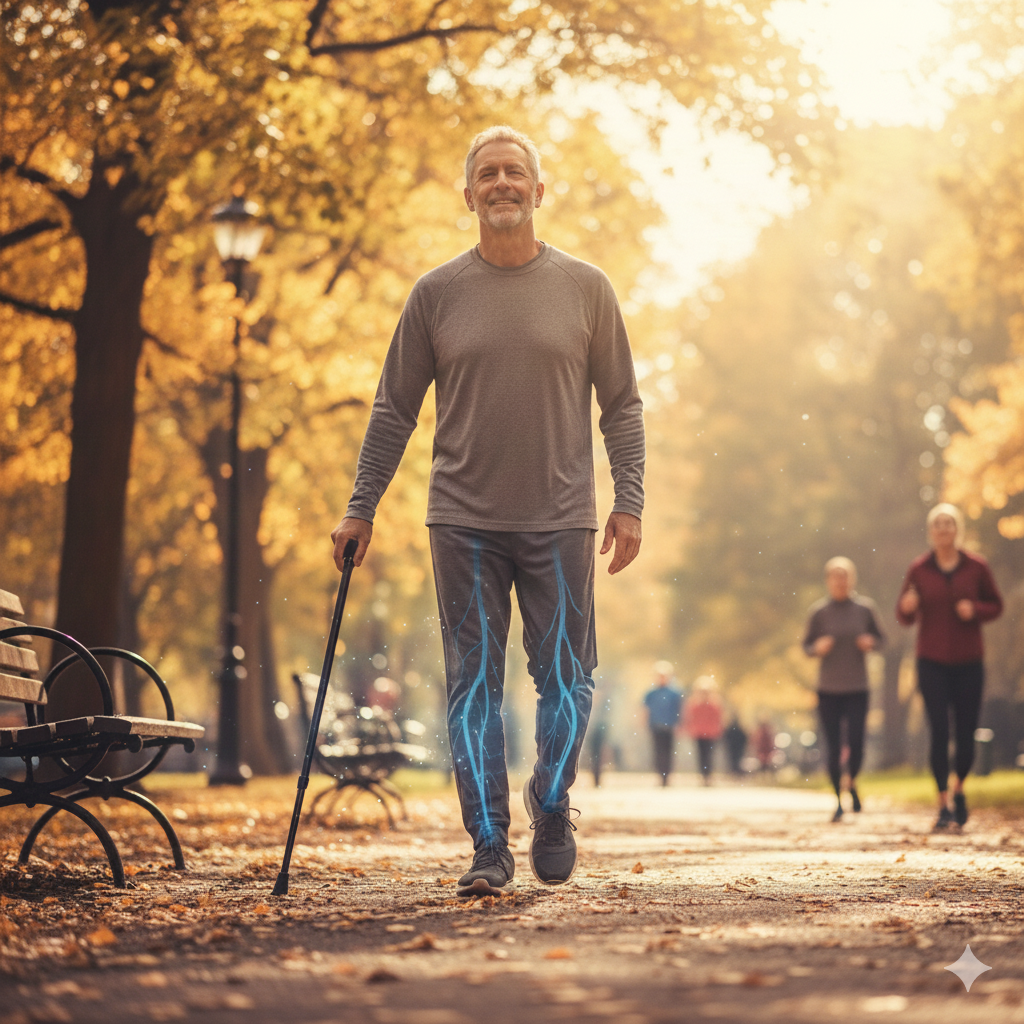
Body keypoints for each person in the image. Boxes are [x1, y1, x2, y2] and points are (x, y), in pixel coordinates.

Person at [330, 126, 645, 896]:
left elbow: (622, 406)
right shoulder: (436, 295)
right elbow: (393, 408)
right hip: (463, 522)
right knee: (473, 686)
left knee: (568, 680)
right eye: (488, 174)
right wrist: (361, 506)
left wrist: (629, 500)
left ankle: (552, 800)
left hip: (562, 518)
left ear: (539, 190)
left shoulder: (586, 288)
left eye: (515, 172)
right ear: (468, 194)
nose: (502, 183)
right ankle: (489, 845)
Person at [897, 503, 1002, 831]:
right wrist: (908, 606)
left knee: (966, 731)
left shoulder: (976, 566)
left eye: (949, 523)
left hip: (969, 661)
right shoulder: (919, 569)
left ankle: (959, 789)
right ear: (931, 532)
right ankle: (942, 802)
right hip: (931, 661)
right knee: (939, 731)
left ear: (957, 529)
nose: (943, 529)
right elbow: (903, 615)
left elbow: (996, 605)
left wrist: (975, 609)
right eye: (938, 524)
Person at [803, 556, 885, 822]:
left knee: (857, 742)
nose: (840, 581)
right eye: (835, 576)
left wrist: (870, 642)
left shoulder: (865, 609)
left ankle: (852, 781)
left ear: (852, 579)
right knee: (833, 745)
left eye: (845, 575)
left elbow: (882, 639)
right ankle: (839, 799)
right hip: (828, 688)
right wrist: (817, 648)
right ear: (828, 580)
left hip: (858, 687)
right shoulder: (819, 612)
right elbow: (806, 646)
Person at [643, 661, 683, 786]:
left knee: (669, 752)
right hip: (655, 726)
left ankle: (667, 776)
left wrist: (679, 724)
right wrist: (644, 723)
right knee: (658, 752)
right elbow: (645, 710)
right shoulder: (651, 693)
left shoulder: (675, 693)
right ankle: (660, 775)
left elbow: (680, 709)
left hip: (670, 727)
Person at [683, 676, 723, 785]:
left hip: (711, 734)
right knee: (700, 755)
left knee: (709, 755)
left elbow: (719, 719)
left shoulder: (714, 704)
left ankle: (708, 775)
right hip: (699, 733)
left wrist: (718, 730)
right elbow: (689, 718)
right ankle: (703, 775)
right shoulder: (694, 704)